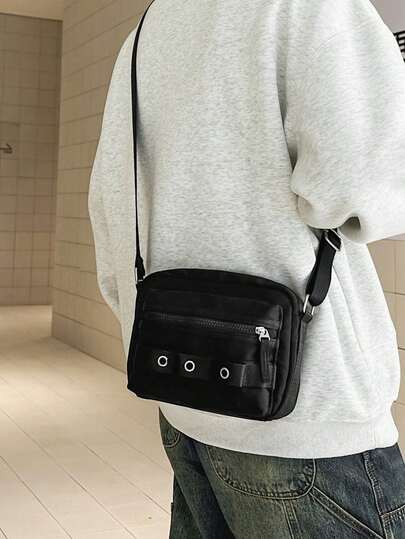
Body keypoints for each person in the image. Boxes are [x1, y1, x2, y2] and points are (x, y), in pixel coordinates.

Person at [88, 0, 405, 536]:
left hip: (185, 400)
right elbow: (368, 183)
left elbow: (109, 204)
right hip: (306, 417)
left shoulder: (146, 29)